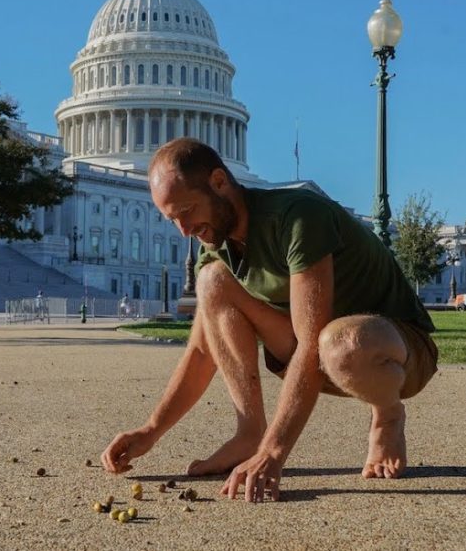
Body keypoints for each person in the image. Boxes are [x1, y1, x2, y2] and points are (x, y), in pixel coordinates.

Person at [101, 138, 438, 503]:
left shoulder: (297, 217)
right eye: (172, 219)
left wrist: (274, 453)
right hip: (321, 356)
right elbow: (202, 351)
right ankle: (248, 432)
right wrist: (151, 431)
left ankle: (387, 415)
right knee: (212, 281)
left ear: (219, 182)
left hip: (396, 354)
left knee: (338, 343)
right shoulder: (216, 243)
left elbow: (311, 345)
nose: (183, 229)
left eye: (186, 210)